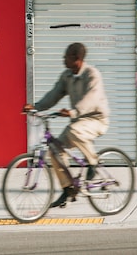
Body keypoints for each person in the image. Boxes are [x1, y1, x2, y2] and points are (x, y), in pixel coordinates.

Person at [23, 42, 110, 209]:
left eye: (66, 56)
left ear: (76, 59)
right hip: (78, 121)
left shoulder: (92, 75)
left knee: (74, 130)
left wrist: (73, 111)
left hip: (97, 119)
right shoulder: (67, 76)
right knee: (55, 151)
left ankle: (94, 163)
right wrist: (36, 106)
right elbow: (54, 95)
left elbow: (92, 98)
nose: (63, 59)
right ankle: (68, 188)